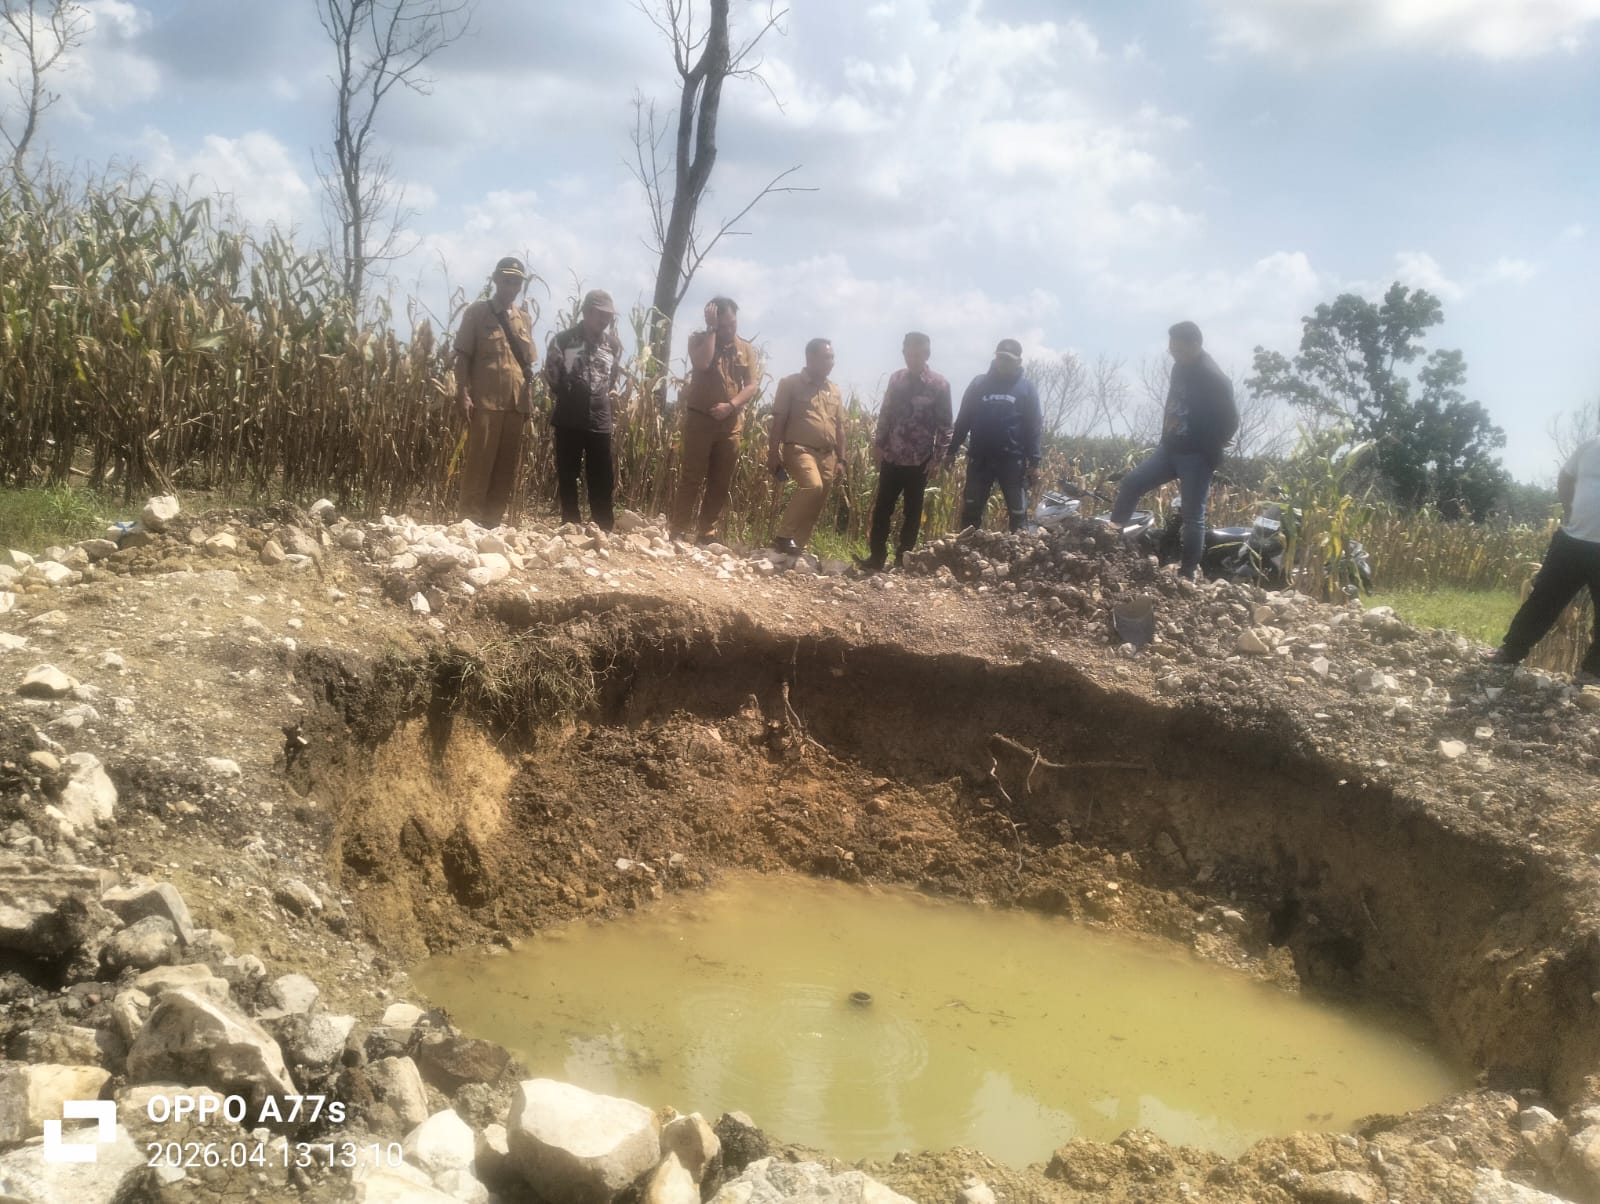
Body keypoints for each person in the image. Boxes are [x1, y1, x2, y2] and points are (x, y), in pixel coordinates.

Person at [1107, 321, 1238, 579]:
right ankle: (1110, 542)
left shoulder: (1215, 378)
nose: (1175, 355)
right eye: (1171, 351)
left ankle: (1187, 573)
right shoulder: (1179, 368)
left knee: (1192, 514)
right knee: (1132, 483)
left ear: (1195, 345)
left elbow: (1231, 420)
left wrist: (1211, 446)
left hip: (1197, 456)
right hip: (1170, 449)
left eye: (1179, 350)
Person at [1486, 437, 1600, 681]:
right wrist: (1570, 512)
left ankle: (1592, 674)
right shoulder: (1590, 446)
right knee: (1543, 597)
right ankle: (1511, 651)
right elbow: (1566, 479)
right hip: (1572, 540)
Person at [453, 256, 537, 528]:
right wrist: (462, 394)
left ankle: (492, 521)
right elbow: (463, 357)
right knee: (480, 462)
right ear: (496, 280)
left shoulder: (523, 318)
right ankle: (469, 519)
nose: (510, 286)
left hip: (516, 403)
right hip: (485, 401)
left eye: (516, 282)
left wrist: (530, 403)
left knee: (505, 466)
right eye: (506, 280)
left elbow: (527, 364)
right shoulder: (477, 313)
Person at [671, 296, 762, 544]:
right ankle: (678, 528)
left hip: (730, 424)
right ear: (712, 322)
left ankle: (706, 531)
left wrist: (731, 406)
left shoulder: (746, 349)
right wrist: (712, 331)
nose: (728, 330)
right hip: (700, 421)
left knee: (720, 480)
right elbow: (702, 363)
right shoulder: (699, 340)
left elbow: (752, 386)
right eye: (722, 326)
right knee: (692, 476)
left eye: (731, 324)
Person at [862, 331, 952, 571]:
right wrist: (878, 444)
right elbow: (886, 413)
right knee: (882, 510)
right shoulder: (896, 379)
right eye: (908, 354)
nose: (912, 358)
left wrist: (937, 458)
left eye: (917, 354)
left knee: (912, 515)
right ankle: (876, 558)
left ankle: (903, 560)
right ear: (903, 353)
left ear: (927, 354)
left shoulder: (940, 385)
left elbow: (945, 426)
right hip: (892, 456)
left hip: (919, 461)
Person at [545, 289, 625, 530]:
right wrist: (572, 394)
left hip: (600, 419)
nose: (606, 321)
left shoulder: (612, 345)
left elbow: (611, 378)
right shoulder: (565, 340)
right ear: (588, 312)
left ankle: (603, 526)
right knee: (568, 473)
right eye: (602, 315)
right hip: (569, 417)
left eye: (609, 317)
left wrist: (596, 395)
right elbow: (552, 375)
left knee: (602, 475)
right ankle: (570, 523)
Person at [946, 338, 1042, 532]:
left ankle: (1019, 557)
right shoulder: (979, 384)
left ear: (1018, 362)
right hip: (980, 459)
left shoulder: (1027, 389)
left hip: (1012, 461)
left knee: (1018, 512)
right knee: (971, 510)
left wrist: (1035, 462)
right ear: (995, 358)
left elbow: (1034, 426)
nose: (1003, 362)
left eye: (1008, 359)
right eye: (1000, 358)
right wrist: (952, 450)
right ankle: (966, 553)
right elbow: (964, 418)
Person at [768, 338, 845, 555]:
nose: (831, 362)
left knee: (817, 501)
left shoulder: (835, 390)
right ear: (810, 358)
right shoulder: (790, 384)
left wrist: (842, 459)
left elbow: (840, 428)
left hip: (828, 455)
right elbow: (779, 422)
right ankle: (784, 536)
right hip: (799, 449)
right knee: (813, 487)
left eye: (832, 357)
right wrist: (773, 454)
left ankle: (796, 548)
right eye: (826, 357)